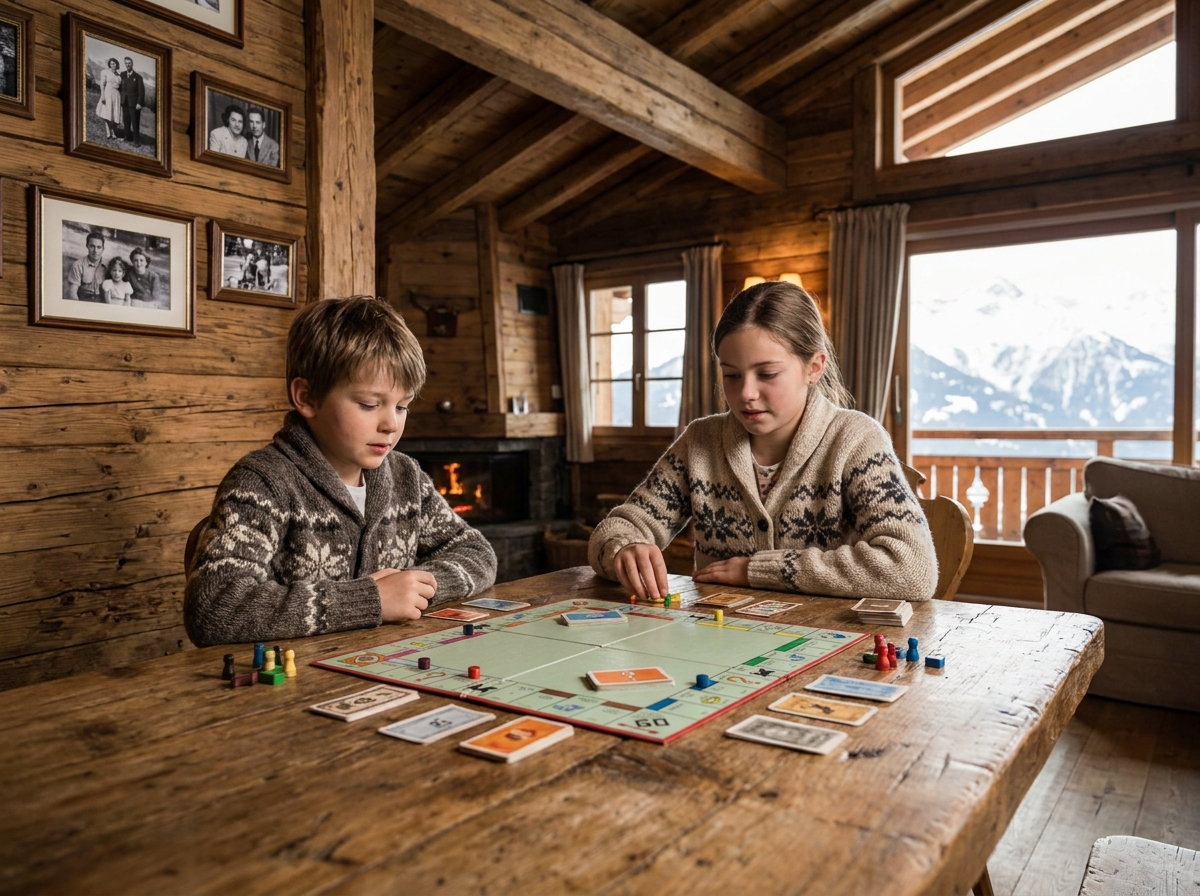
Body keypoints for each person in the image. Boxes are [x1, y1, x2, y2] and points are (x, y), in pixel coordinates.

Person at [588, 280, 937, 602]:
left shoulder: (856, 440)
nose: (746, 393)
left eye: (767, 374)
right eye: (731, 375)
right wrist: (624, 546)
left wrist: (759, 570)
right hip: (717, 642)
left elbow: (912, 569)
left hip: (828, 645)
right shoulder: (701, 442)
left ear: (814, 367)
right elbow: (619, 527)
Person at [184, 295, 498, 647]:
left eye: (403, 406)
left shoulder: (406, 477)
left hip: (388, 666)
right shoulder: (262, 483)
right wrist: (371, 600)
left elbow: (477, 553)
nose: (391, 424)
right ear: (307, 397)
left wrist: (414, 589)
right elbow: (214, 610)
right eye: (369, 404)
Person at [65, 231, 106, 302]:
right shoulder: (78, 265)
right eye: (92, 246)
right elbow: (73, 292)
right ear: (87, 246)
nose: (95, 250)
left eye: (99, 247)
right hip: (83, 301)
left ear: (103, 249)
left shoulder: (107, 267)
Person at [119, 57, 145, 145]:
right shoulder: (122, 74)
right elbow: (119, 87)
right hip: (125, 103)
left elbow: (141, 92)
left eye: (129, 63)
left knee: (135, 123)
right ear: (124, 64)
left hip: (134, 104)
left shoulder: (138, 77)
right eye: (126, 63)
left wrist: (139, 103)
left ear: (132, 64)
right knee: (126, 121)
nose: (127, 65)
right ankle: (127, 137)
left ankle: (136, 141)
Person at [96, 58, 122, 140]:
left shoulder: (119, 75)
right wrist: (102, 95)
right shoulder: (105, 72)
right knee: (107, 113)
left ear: (117, 65)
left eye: (114, 64)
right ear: (109, 65)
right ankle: (108, 133)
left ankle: (114, 132)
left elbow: (120, 87)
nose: (113, 65)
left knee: (115, 114)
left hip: (116, 95)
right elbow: (102, 84)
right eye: (111, 64)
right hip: (108, 93)